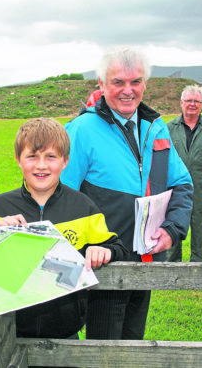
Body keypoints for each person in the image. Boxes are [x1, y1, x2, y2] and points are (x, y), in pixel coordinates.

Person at [61, 47, 193, 340]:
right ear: (101, 83)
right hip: (104, 264)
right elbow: (61, 196)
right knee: (104, 351)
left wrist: (172, 229)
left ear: (145, 83)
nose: (127, 90)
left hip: (146, 259)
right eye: (118, 82)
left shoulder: (156, 128)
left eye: (135, 81)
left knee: (133, 343)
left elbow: (182, 183)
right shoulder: (81, 130)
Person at [0, 117, 127, 342]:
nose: (41, 165)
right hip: (11, 332)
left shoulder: (83, 207)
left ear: (65, 161)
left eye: (51, 156)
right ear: (18, 160)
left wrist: (105, 250)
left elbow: (114, 245)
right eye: (32, 156)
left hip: (66, 334)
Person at [166, 85, 202, 262]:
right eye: (188, 101)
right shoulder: (169, 128)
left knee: (200, 225)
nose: (192, 104)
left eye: (196, 101)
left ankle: (198, 263)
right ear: (181, 103)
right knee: (173, 222)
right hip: (174, 186)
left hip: (201, 186)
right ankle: (172, 263)